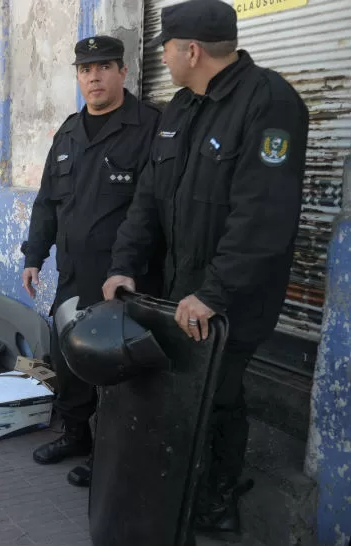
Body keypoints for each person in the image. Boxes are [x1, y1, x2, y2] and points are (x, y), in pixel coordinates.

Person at [101, 0, 309, 535]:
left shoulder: (269, 103)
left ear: (190, 50)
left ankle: (218, 500)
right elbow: (147, 197)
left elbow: (263, 217)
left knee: (219, 394)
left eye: (167, 50)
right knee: (183, 392)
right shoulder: (182, 108)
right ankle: (182, 485)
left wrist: (214, 293)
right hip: (179, 288)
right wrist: (125, 265)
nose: (164, 60)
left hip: (230, 298)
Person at [21, 36, 161, 488]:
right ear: (78, 76)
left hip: (127, 279)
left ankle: (113, 453)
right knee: (70, 357)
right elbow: (46, 203)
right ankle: (76, 434)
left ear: (123, 72)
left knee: (120, 368)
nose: (94, 76)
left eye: (104, 67)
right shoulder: (67, 133)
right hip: (75, 274)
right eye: (85, 69)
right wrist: (33, 257)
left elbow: (153, 209)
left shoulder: (150, 128)